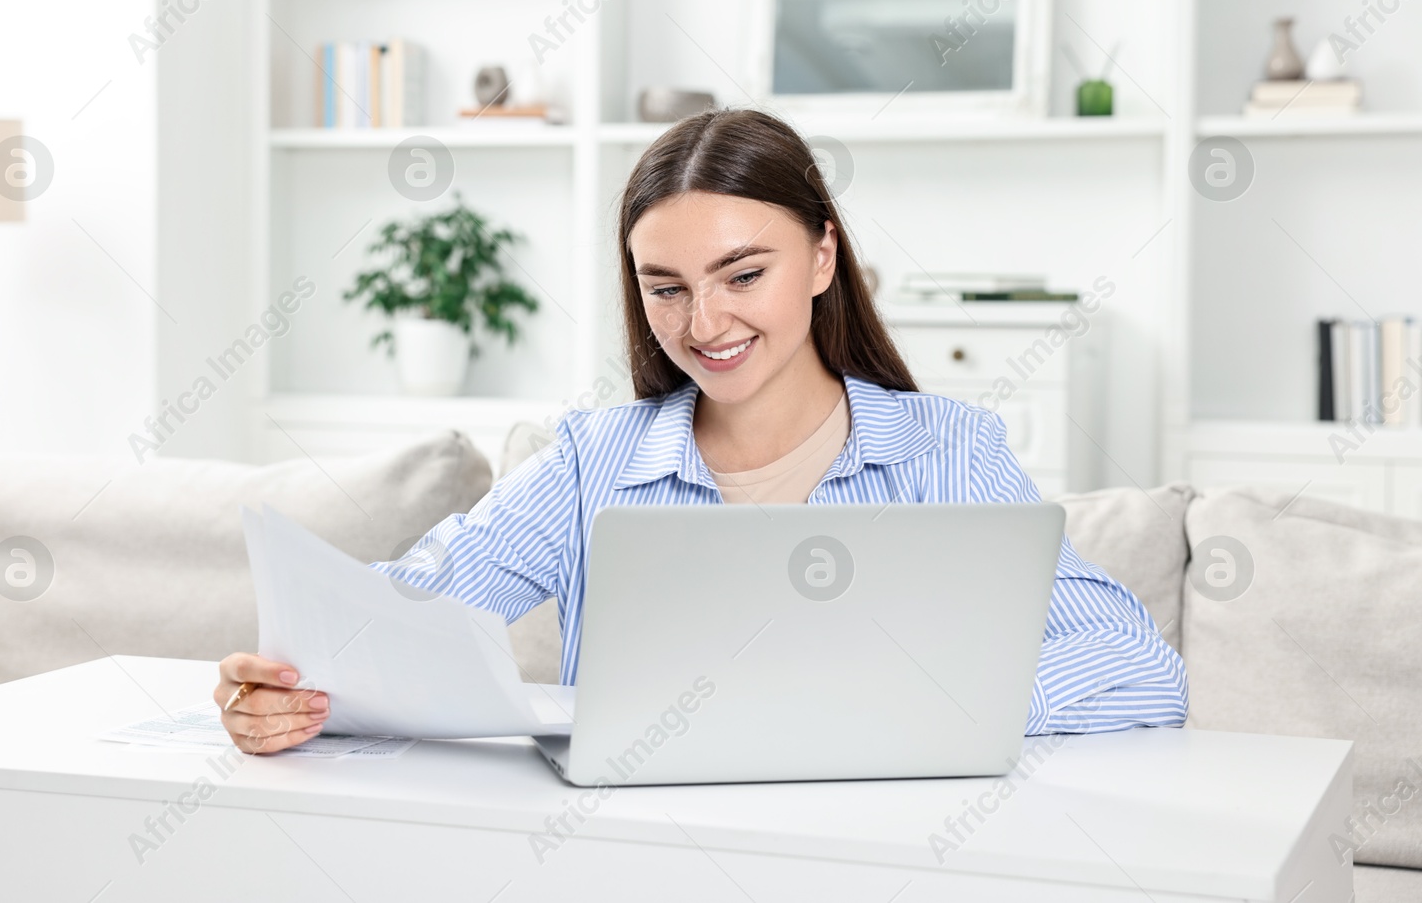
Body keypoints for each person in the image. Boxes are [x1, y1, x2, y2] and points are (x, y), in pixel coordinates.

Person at [216, 107, 1188, 754]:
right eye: (666, 288)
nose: (705, 323)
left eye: (742, 274)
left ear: (820, 256)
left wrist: (906, 702)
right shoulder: (594, 464)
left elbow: (1137, 663)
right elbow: (410, 612)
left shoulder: (944, 451)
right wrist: (287, 681)